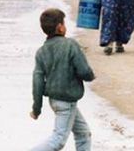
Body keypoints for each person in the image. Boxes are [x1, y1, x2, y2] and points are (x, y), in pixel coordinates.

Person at [30, 8, 94, 151]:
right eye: (64, 23)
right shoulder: (70, 45)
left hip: (55, 100)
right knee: (58, 141)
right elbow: (84, 71)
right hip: (67, 101)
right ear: (60, 27)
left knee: (83, 133)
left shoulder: (41, 51)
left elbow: (37, 82)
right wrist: (91, 75)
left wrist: (36, 109)